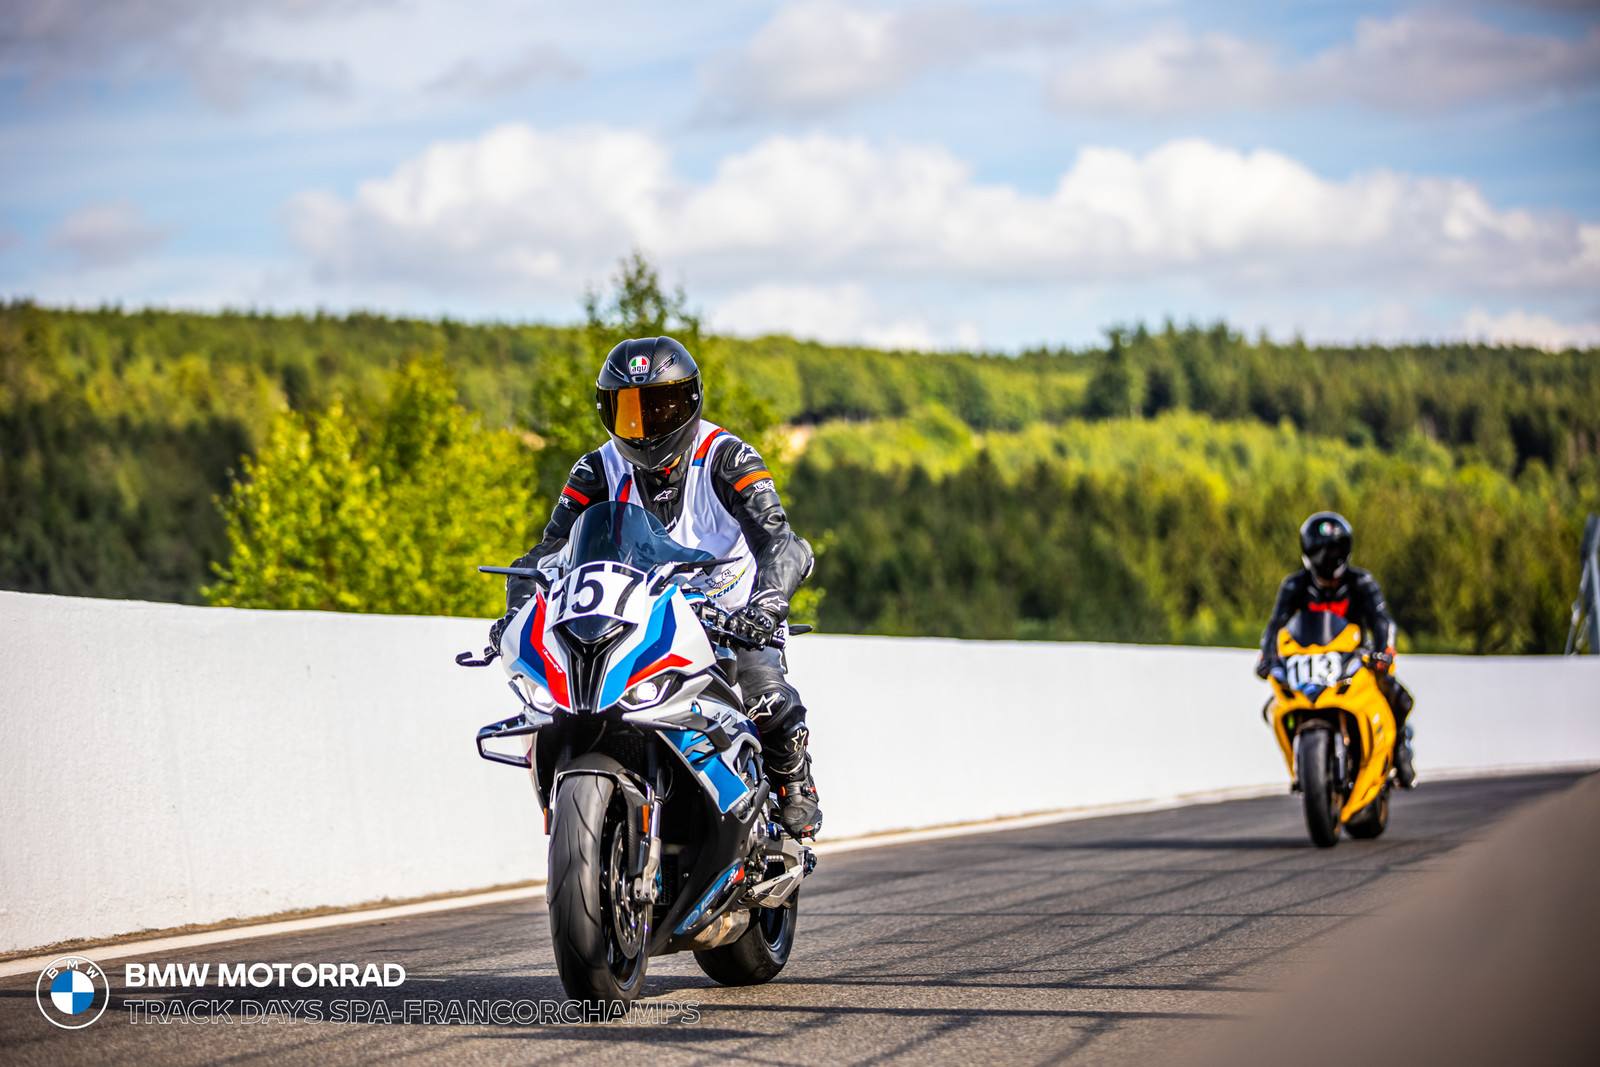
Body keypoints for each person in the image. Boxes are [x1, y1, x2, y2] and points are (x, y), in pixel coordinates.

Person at [490, 336, 823, 838]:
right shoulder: (596, 467)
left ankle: (793, 782)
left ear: (689, 402)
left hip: (732, 614)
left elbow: (783, 543)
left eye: (662, 407)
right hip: (643, 613)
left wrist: (768, 604)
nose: (645, 427)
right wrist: (518, 609)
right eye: (630, 411)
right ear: (607, 410)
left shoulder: (728, 456)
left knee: (764, 693)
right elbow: (547, 552)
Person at [1256, 511, 1417, 788]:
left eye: (1334, 549)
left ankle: (1400, 751)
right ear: (1308, 552)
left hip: (1355, 657)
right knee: (1272, 707)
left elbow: (1381, 619)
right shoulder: (1294, 585)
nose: (1327, 557)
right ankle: (1302, 766)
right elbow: (1275, 625)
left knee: (1397, 696)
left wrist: (1384, 650)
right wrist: (1268, 656)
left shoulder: (1361, 582)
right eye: (1320, 550)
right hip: (1308, 662)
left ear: (1346, 550)